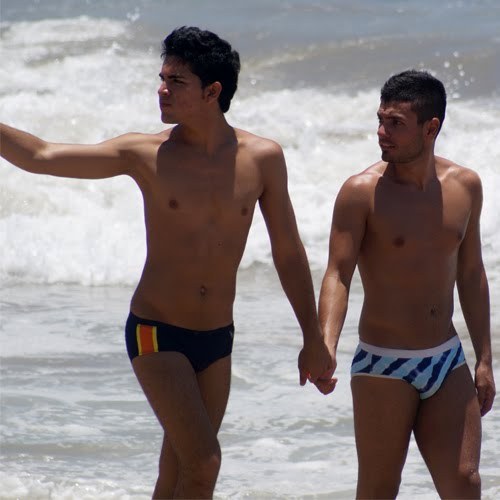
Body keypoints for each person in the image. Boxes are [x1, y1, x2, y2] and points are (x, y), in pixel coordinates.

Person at [0, 26, 334, 499]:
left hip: (217, 337)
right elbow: (41, 156)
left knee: (177, 475)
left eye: (176, 81)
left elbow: (288, 250)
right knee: (204, 465)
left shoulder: (263, 158)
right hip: (156, 330)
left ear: (212, 91)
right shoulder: (146, 153)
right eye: (162, 78)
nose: (162, 89)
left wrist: (312, 338)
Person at [317, 69, 496, 498]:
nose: (382, 132)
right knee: (379, 490)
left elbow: (471, 273)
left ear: (431, 128)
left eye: (396, 123)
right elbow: (338, 273)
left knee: (465, 483)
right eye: (380, 120)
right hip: (384, 363)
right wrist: (325, 344)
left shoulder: (465, 186)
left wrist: (485, 358)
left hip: (446, 358)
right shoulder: (362, 191)